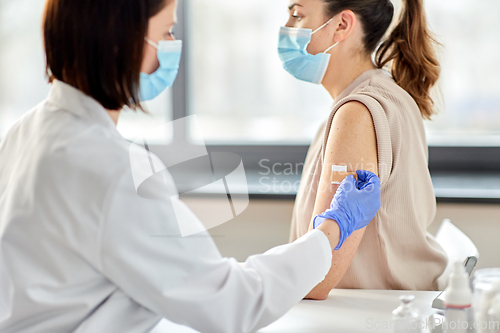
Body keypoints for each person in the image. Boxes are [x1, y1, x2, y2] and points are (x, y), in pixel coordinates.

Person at [0, 0, 381, 332]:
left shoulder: (28, 130)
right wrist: (332, 228)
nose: (171, 49)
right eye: (165, 33)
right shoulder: (112, 171)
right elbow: (233, 304)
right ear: (121, 41)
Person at [283, 0, 448, 299]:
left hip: (377, 315)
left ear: (342, 25)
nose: (287, 29)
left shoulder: (356, 113)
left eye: (296, 14)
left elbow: (317, 276)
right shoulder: (382, 92)